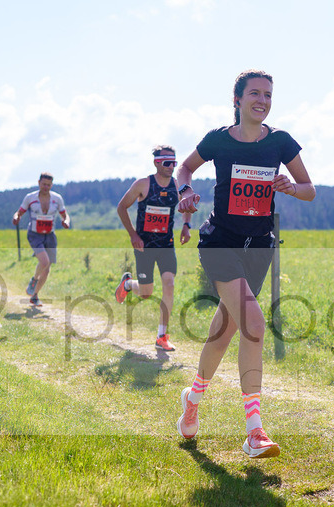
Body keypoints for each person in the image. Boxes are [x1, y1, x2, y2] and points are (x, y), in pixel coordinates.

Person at [175, 70, 315, 458]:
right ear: (237, 99)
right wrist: (185, 191)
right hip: (220, 244)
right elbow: (185, 169)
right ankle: (255, 430)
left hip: (259, 248)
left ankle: (193, 399)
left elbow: (310, 190)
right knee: (254, 323)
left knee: (223, 332)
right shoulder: (218, 139)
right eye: (255, 93)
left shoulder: (282, 142)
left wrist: (290, 186)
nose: (263, 100)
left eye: (268, 94)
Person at [114, 145, 191, 352]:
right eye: (167, 163)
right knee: (146, 293)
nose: (171, 167)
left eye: (174, 163)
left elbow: (188, 204)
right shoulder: (143, 184)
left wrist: (186, 225)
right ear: (157, 163)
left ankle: (162, 336)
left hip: (166, 245)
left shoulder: (177, 185)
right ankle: (129, 283)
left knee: (169, 284)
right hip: (144, 247)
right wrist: (133, 235)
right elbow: (122, 207)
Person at [13, 172, 70, 306]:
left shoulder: (57, 199)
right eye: (44, 184)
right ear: (39, 183)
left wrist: (66, 221)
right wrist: (16, 217)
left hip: (49, 235)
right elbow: (19, 212)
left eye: (48, 185)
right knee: (44, 262)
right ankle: (34, 280)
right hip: (35, 234)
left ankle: (35, 295)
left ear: (52, 185)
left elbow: (65, 215)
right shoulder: (30, 197)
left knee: (47, 268)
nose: (46, 187)